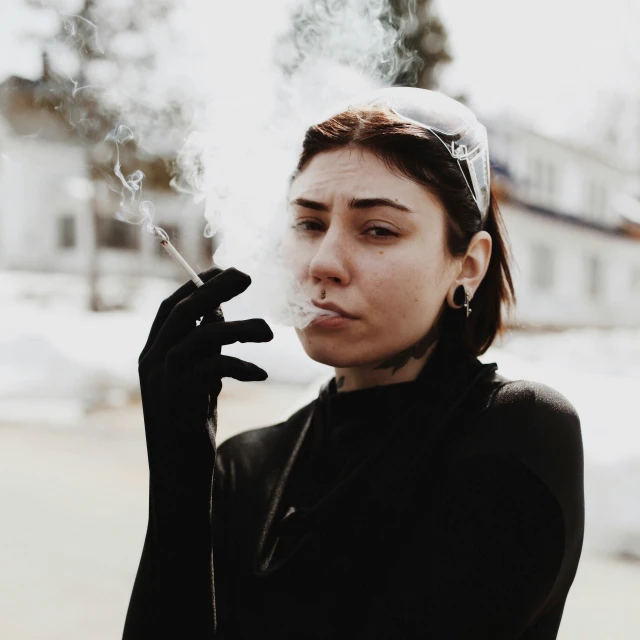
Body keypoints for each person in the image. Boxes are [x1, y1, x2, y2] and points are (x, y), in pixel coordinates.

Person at [122, 88, 584, 639]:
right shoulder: (248, 465)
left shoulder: (513, 432)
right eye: (309, 224)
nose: (324, 263)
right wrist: (180, 478)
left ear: (468, 265)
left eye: (378, 230)